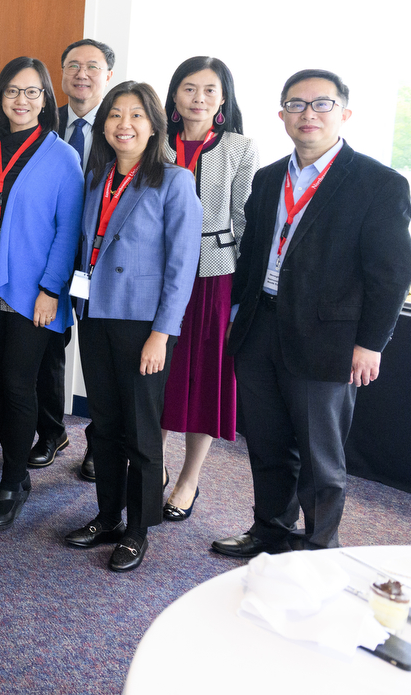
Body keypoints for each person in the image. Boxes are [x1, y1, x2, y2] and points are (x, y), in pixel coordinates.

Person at [212, 70, 411, 556]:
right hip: (261, 329)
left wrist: (370, 344)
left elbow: (391, 274)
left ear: (344, 113)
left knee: (321, 457)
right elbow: (255, 250)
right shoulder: (267, 177)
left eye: (321, 104)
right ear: (282, 115)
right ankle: (270, 530)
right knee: (266, 443)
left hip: (328, 340)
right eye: (296, 105)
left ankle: (321, 547)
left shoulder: (378, 184)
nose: (308, 114)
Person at [63, 82, 201, 572]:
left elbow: (182, 266)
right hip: (97, 315)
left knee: (143, 433)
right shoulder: (97, 176)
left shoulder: (175, 180)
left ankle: (138, 530)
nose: (125, 124)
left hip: (144, 325)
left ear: (154, 125)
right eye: (115, 114)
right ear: (104, 125)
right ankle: (107, 516)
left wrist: (163, 334)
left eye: (136, 116)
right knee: (106, 427)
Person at [0, 59, 83, 532]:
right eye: (12, 92)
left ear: (46, 99)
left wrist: (51, 290)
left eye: (31, 93)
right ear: (0, 96)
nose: (21, 101)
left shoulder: (63, 156)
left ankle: (13, 482)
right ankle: (13, 477)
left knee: (16, 384)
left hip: (33, 294)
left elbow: (67, 232)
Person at [158, 57, 257, 522]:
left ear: (223, 99)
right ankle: (150, 464)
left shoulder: (238, 148)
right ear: (174, 96)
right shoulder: (155, 141)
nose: (199, 98)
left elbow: (244, 220)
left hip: (213, 277)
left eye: (209, 90)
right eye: (189, 89)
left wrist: (239, 292)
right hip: (154, 272)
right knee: (155, 373)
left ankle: (188, 478)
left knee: (205, 378)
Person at [44, 38, 120, 479]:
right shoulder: (44, 123)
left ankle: (100, 440)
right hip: (53, 256)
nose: (81, 74)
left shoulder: (122, 125)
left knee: (101, 356)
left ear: (108, 75)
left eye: (92, 66)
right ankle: (51, 431)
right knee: (48, 348)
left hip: (102, 263)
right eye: (72, 65)